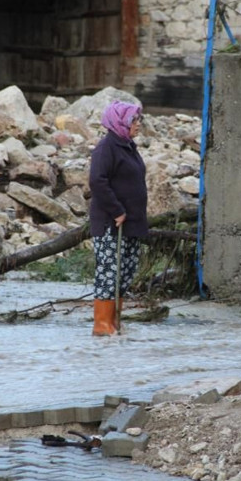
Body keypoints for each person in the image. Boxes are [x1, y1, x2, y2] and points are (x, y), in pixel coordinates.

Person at [88, 100, 148, 336]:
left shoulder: (128, 146)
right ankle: (102, 325)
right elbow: (97, 182)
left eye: (139, 119)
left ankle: (115, 322)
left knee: (124, 273)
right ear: (120, 121)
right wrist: (117, 211)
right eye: (134, 120)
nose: (138, 124)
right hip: (111, 225)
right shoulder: (106, 148)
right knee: (108, 273)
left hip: (131, 225)